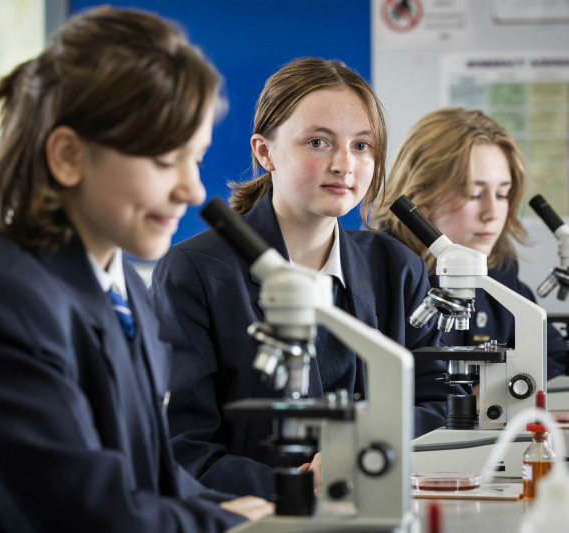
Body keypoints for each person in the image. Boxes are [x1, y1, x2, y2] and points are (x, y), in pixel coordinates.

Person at [0, 7, 274, 532]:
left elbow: (149, 473)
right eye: (166, 161)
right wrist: (219, 524)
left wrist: (232, 508)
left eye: (196, 158)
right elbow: (82, 515)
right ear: (69, 156)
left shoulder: (124, 288)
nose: (192, 190)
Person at [150, 58, 467, 499]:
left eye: (362, 146)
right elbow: (181, 450)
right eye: (319, 142)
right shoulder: (196, 271)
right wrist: (296, 485)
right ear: (265, 152)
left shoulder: (395, 266)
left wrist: (367, 443)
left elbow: (441, 401)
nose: (344, 164)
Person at [373, 107, 568, 381]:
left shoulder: (500, 273)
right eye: (475, 194)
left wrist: (494, 397)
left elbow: (556, 360)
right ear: (420, 200)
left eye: (502, 194)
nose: (492, 213)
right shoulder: (372, 277)